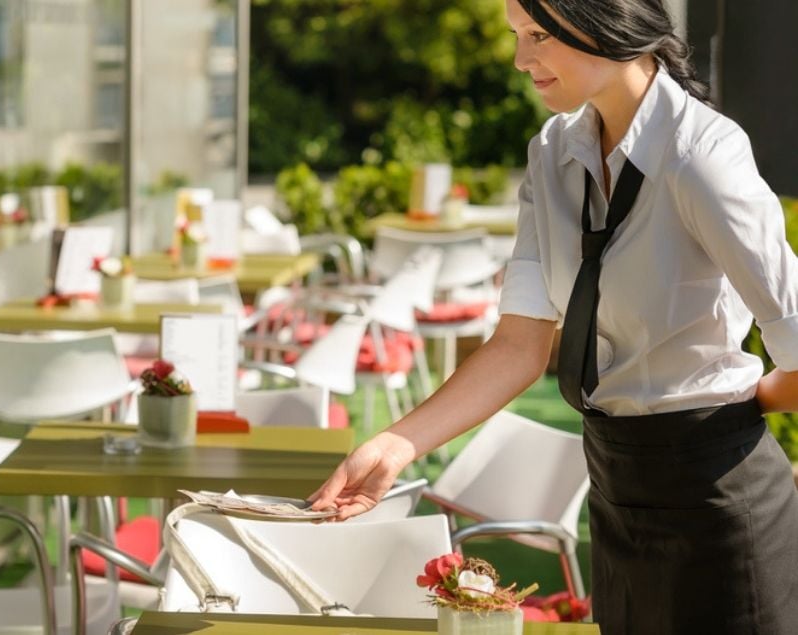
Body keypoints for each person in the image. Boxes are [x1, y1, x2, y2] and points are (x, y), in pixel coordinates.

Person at [310, 1, 798, 633]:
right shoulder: (552, 153)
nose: (520, 59)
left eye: (537, 35)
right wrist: (395, 445)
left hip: (720, 498)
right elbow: (519, 345)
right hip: (615, 488)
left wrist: (735, 407)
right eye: (517, 35)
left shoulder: (701, 155)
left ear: (604, 21)